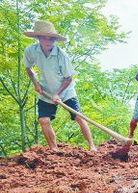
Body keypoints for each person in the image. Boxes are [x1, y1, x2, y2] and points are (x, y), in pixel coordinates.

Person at [24, 20, 96, 151]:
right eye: (45, 38)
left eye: (51, 38)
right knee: (43, 120)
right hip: (46, 91)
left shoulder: (62, 55)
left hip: (66, 90)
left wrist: (58, 94)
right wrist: (36, 84)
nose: (49, 41)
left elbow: (69, 78)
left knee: (79, 117)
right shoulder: (31, 51)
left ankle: (92, 146)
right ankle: (54, 149)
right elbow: (29, 69)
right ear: (38, 38)